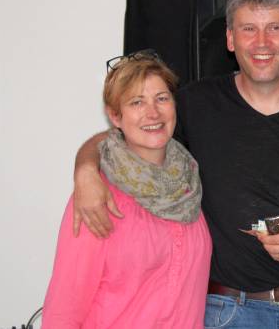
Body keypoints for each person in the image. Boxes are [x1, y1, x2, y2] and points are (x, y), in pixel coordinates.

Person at [71, 0, 279, 329]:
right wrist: (85, 171)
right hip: (229, 313)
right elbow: (122, 136)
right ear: (230, 39)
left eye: (275, 28)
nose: (261, 42)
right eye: (248, 29)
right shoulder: (195, 104)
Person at [43, 51, 212, 328]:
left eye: (161, 98)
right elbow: (64, 310)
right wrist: (85, 167)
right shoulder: (97, 197)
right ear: (115, 116)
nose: (153, 113)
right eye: (137, 102)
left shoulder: (190, 188)